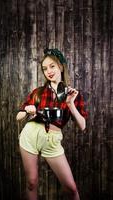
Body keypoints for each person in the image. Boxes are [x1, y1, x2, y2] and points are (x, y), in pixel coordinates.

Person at [16, 48, 88, 200]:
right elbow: (18, 116)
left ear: (61, 66)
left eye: (52, 66)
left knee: (71, 188)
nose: (48, 71)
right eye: (45, 68)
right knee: (31, 182)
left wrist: (70, 104)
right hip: (30, 135)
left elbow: (82, 126)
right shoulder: (39, 92)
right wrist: (28, 110)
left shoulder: (73, 94)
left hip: (52, 140)